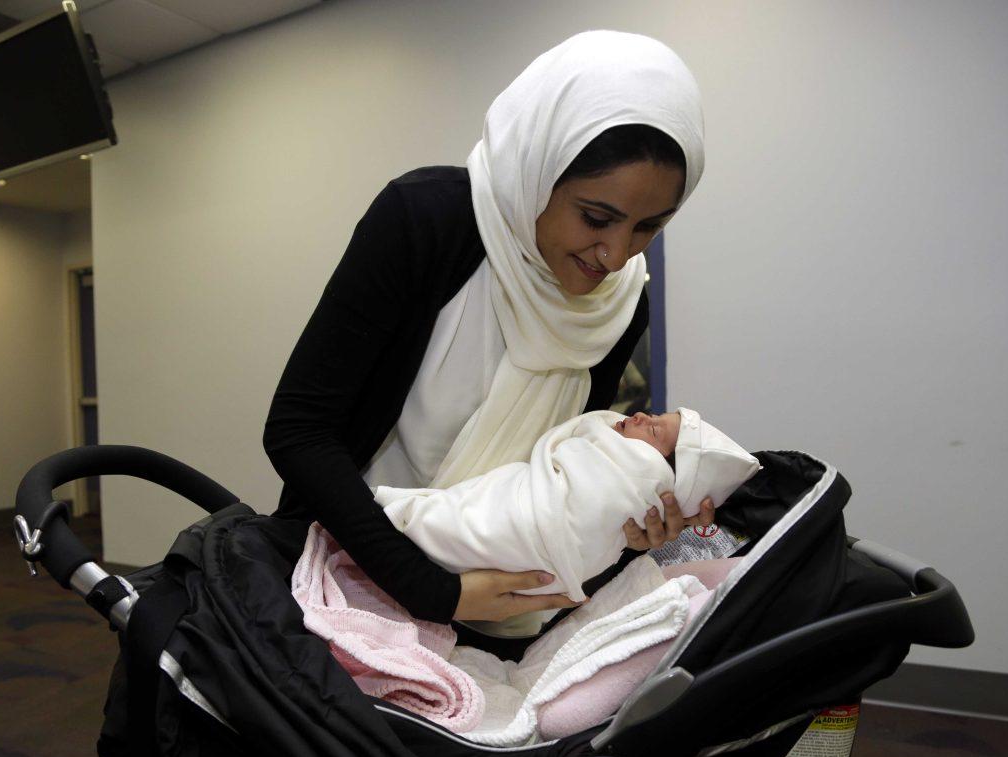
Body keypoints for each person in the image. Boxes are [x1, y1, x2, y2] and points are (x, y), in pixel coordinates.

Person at [264, 30, 715, 629]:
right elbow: (299, 431)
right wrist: (433, 591)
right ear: (538, 168)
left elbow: (559, 473)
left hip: (501, 609)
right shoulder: (426, 221)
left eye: (647, 228)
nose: (615, 254)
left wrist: (626, 521)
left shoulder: (622, 304)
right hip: (346, 580)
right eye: (596, 217)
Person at [368, 407, 759, 636]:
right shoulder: (621, 449)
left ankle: (415, 520)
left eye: (654, 428)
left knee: (473, 524)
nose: (639, 415)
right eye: (655, 415)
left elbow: (588, 481)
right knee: (478, 514)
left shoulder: (640, 473)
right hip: (459, 563)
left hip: (534, 539)